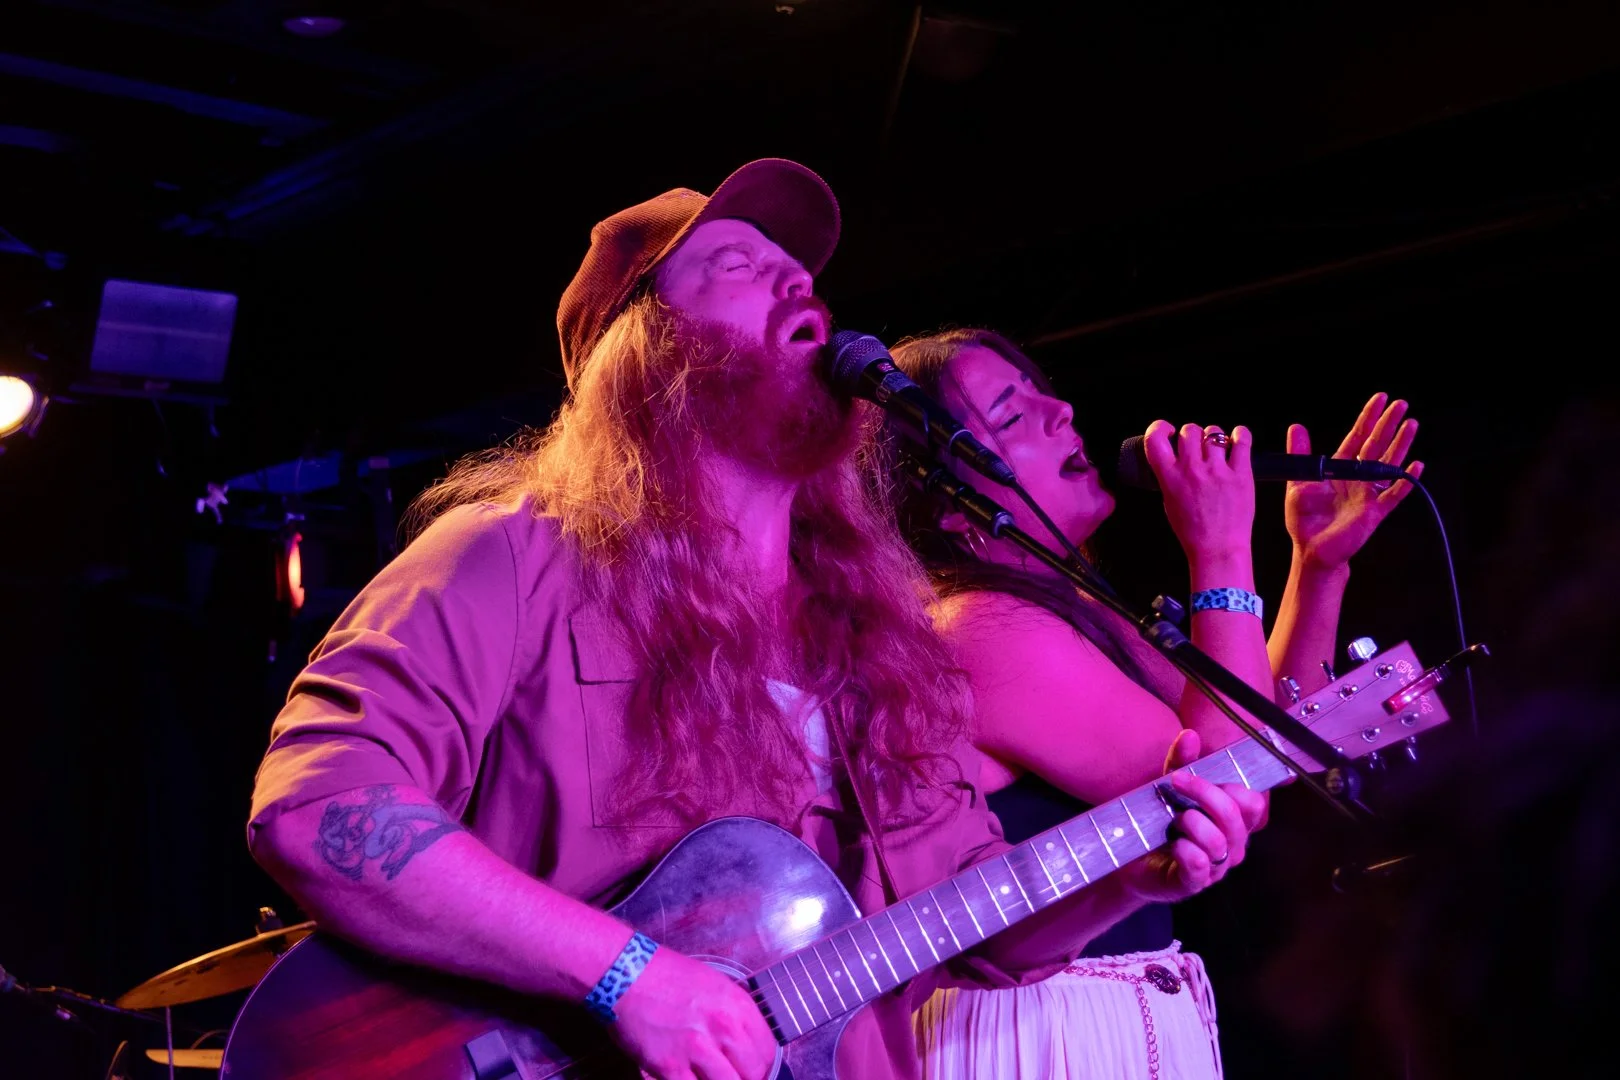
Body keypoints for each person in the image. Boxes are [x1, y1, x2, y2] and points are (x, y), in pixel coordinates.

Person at [242, 161, 1265, 1080]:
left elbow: (982, 935)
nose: (797, 285)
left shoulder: (882, 641)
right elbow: (320, 808)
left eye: (800, 273)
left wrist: (1132, 878)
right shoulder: (513, 557)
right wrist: (626, 976)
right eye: (739, 264)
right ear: (649, 353)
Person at [873, 327, 1420, 1079]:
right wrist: (1220, 548)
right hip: (1037, 1036)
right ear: (953, 508)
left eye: (1043, 393)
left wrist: (1317, 564)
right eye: (1013, 415)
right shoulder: (979, 628)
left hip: (1105, 1020)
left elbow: (1266, 747)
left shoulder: (1081, 614)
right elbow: (1225, 775)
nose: (1061, 411)